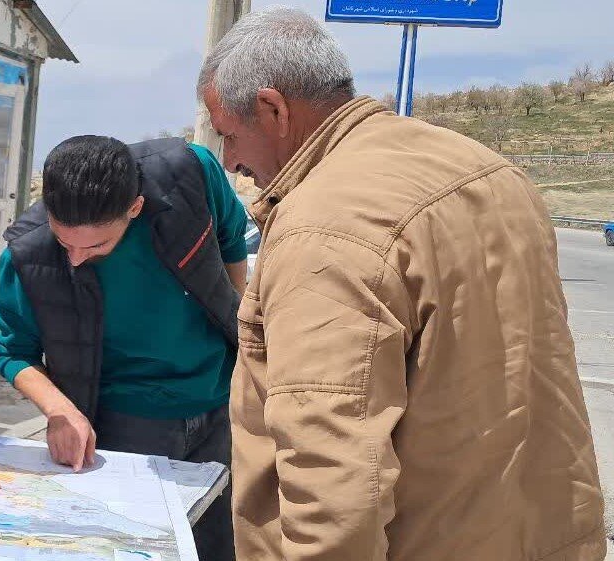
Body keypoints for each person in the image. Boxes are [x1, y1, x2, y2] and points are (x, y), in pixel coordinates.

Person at [197, 8, 606, 561]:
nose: (231, 161)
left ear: (273, 109)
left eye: (229, 135)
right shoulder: (487, 169)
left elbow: (333, 481)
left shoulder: (325, 225)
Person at [0, 135, 247, 559]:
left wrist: (232, 328)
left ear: (135, 208)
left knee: (218, 546)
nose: (75, 259)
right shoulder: (28, 256)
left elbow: (232, 238)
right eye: (64, 243)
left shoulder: (191, 173)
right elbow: (13, 352)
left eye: (95, 246)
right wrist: (61, 412)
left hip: (221, 406)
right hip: (124, 426)